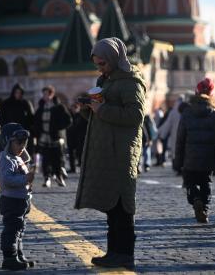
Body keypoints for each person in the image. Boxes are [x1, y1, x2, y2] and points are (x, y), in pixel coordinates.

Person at [75, 37, 146, 269]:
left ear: (115, 59)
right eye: (97, 64)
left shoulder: (131, 82)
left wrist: (102, 109)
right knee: (111, 206)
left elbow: (135, 116)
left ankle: (125, 254)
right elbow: (100, 118)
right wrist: (88, 109)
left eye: (103, 63)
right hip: (107, 151)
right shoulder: (104, 80)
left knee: (122, 206)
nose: (100, 68)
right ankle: (114, 251)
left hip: (122, 152)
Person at [174, 78, 215, 223]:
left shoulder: (187, 113)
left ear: (197, 92)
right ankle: (204, 208)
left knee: (190, 183)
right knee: (206, 183)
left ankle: (195, 198)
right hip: (209, 159)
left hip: (189, 158)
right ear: (211, 94)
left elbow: (180, 140)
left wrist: (177, 160)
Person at [0, 123, 35, 271]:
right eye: (19, 143)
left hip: (21, 201)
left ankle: (18, 253)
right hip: (11, 201)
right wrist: (26, 179)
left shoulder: (18, 157)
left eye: (24, 143)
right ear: (8, 142)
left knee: (20, 228)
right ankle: (9, 257)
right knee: (12, 229)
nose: (22, 146)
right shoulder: (6, 159)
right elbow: (7, 180)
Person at [33, 85, 71, 188]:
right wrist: (36, 133)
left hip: (55, 137)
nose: (45, 96)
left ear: (52, 94)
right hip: (44, 137)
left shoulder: (58, 107)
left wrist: (58, 127)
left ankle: (59, 177)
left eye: (47, 94)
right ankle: (47, 178)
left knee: (57, 159)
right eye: (44, 94)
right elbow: (36, 122)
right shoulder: (41, 107)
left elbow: (68, 120)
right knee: (45, 159)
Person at [0, 83, 35, 158]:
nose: (18, 94)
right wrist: (6, 129)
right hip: (10, 136)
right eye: (16, 92)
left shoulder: (26, 104)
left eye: (19, 92)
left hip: (23, 135)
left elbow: (31, 119)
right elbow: (1, 118)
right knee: (10, 155)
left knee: (23, 156)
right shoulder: (6, 104)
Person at [66, 102, 88, 173]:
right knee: (71, 154)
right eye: (73, 108)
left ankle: (82, 168)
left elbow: (84, 127)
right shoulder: (69, 115)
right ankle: (72, 168)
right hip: (70, 138)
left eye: (75, 108)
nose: (74, 109)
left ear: (78, 108)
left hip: (79, 138)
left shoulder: (82, 116)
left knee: (80, 154)